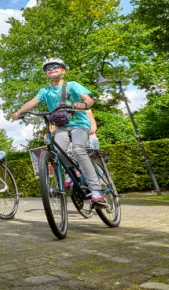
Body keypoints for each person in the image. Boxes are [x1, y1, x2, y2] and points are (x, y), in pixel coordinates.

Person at [12, 58, 106, 207]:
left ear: (63, 70)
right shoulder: (45, 91)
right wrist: (20, 111)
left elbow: (89, 99)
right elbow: (33, 101)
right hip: (61, 127)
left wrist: (84, 104)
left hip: (79, 124)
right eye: (48, 69)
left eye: (56, 67)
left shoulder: (72, 85)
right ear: (46, 74)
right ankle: (74, 173)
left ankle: (96, 192)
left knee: (78, 149)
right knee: (59, 152)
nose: (52, 69)